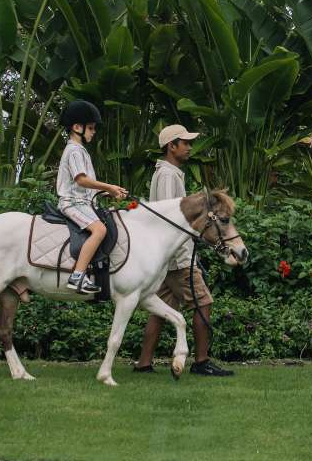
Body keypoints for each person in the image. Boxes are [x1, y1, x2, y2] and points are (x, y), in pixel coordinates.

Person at [134, 124, 234, 377]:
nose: (190, 147)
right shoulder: (168, 175)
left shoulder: (170, 173)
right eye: (185, 143)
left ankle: (144, 364)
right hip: (177, 257)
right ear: (171, 146)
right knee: (203, 302)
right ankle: (201, 361)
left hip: (167, 257)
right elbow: (171, 217)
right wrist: (185, 257)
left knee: (159, 311)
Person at [57, 100, 127, 294]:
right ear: (76, 127)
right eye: (90, 128)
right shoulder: (74, 151)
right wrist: (109, 186)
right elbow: (81, 180)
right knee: (99, 230)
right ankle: (77, 276)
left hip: (83, 202)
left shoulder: (80, 151)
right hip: (72, 203)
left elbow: (87, 186)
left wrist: (110, 192)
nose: (93, 132)